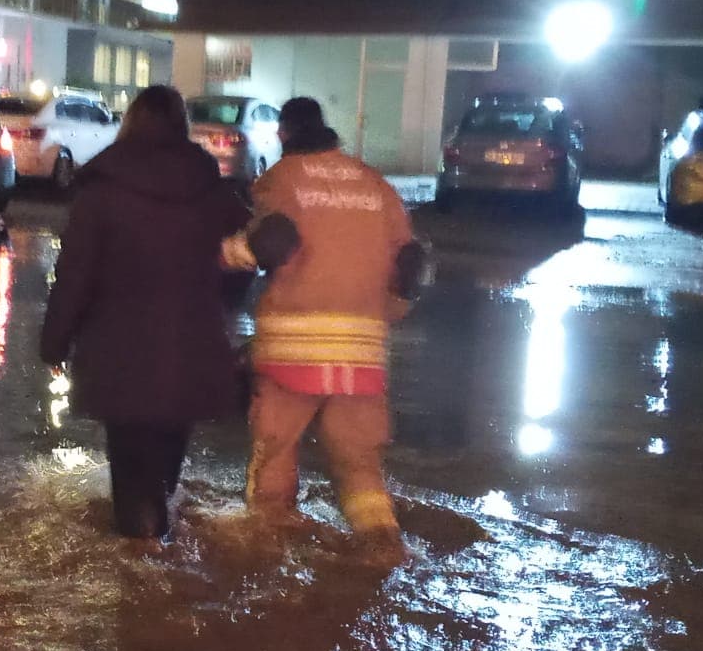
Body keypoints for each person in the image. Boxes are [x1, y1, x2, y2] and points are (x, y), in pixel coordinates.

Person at [40, 85, 251, 540]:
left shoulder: (102, 190)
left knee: (132, 477)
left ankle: (143, 561)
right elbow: (243, 261)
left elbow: (75, 276)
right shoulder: (210, 189)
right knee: (163, 473)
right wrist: (218, 305)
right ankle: (163, 556)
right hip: (190, 352)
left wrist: (54, 343)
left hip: (120, 357)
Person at [235, 96, 424, 541]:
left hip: (290, 352)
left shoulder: (281, 178)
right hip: (362, 354)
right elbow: (408, 264)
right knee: (361, 467)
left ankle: (266, 548)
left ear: (283, 133)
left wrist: (225, 254)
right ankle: (382, 546)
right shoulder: (374, 183)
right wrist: (386, 314)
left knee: (275, 456)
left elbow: (268, 242)